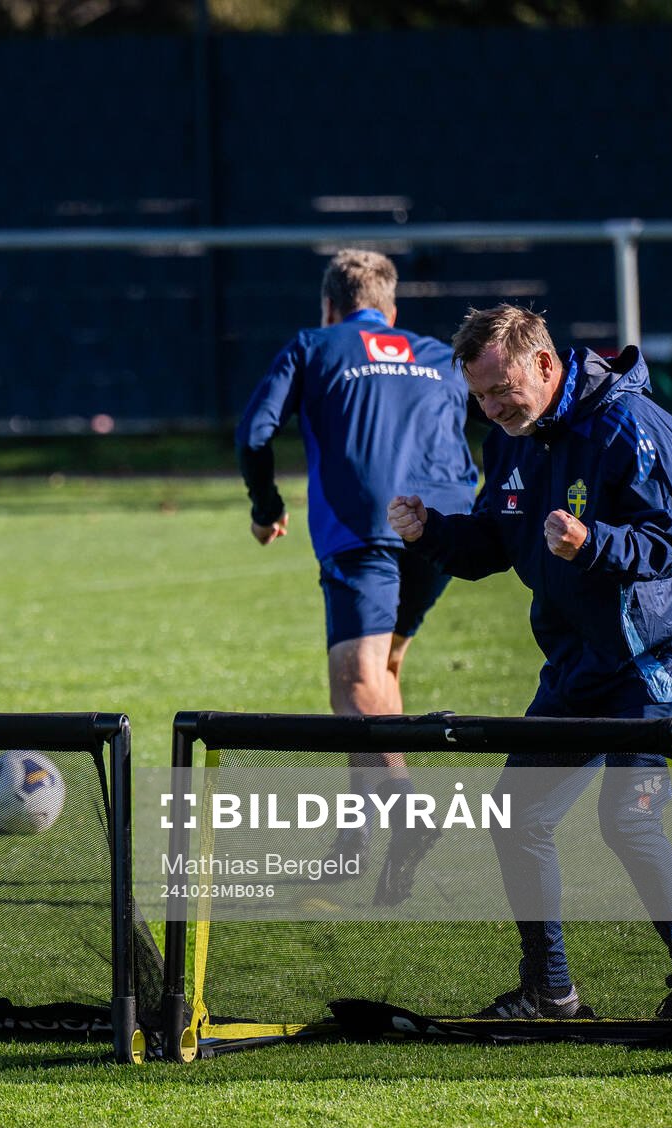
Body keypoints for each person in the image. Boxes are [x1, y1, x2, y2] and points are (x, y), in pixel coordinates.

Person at [388, 304, 672, 1020]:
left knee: (627, 820)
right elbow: (495, 542)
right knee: (515, 814)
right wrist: (432, 534)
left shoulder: (632, 428)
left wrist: (595, 543)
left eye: (502, 389)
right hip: (581, 658)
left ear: (545, 363)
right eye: (479, 396)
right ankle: (551, 991)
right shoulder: (511, 441)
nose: (492, 407)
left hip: (660, 652)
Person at [237, 249, 479, 902]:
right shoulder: (435, 352)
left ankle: (408, 817)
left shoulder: (315, 345)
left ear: (329, 306)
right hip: (442, 530)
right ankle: (354, 842)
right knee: (384, 675)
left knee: (354, 685)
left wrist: (268, 509)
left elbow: (254, 433)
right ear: (390, 310)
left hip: (366, 530)